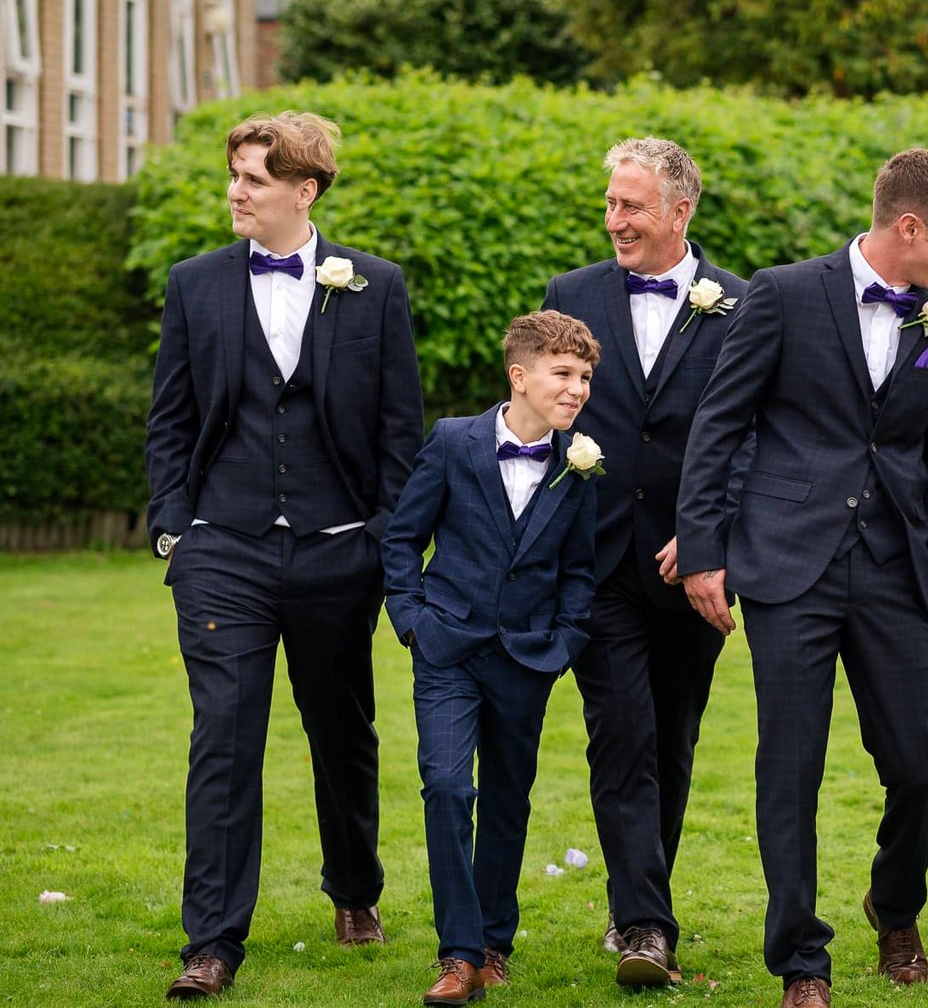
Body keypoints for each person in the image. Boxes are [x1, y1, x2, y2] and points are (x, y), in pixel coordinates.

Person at [675, 148, 928, 1008]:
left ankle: (895, 903)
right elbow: (721, 420)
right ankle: (801, 960)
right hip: (788, 566)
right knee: (792, 766)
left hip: (890, 570)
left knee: (919, 766)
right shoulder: (784, 292)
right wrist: (704, 549)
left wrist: (918, 530)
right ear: (909, 225)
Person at [144, 111, 423, 999]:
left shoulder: (374, 287)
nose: (236, 190)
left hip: (339, 549)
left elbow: (397, 431)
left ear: (304, 191)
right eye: (233, 175)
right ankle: (213, 942)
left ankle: (355, 888)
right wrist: (174, 532)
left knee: (342, 732)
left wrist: (384, 539)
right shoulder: (195, 284)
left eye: (254, 178)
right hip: (222, 550)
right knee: (223, 739)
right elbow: (172, 419)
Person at [541, 138, 748, 986]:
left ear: (680, 211)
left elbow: (757, 434)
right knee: (620, 733)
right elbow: (547, 409)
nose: (615, 219)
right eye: (611, 204)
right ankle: (643, 925)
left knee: (673, 735)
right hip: (596, 559)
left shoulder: (741, 303)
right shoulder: (572, 296)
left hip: (691, 569)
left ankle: (642, 906)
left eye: (632, 206)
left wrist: (712, 530)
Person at [382, 311, 601, 1006]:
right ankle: (457, 954)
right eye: (563, 374)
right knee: (448, 786)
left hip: (528, 656)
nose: (577, 388)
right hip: (446, 645)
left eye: (585, 377)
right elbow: (401, 538)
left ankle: (494, 944)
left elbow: (581, 570)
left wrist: (565, 642)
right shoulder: (453, 441)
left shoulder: (581, 464)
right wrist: (412, 621)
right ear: (521, 375)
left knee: (508, 799)